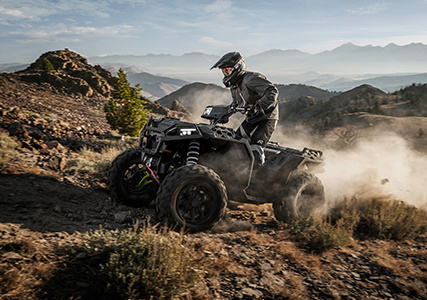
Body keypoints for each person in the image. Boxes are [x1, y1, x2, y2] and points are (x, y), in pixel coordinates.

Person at [211, 51, 279, 165]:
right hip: (251, 119)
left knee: (255, 151)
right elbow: (236, 104)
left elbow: (272, 91)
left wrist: (259, 106)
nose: (226, 74)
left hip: (267, 118)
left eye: (228, 70)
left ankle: (259, 179)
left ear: (238, 67)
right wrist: (225, 113)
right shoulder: (234, 85)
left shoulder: (251, 79)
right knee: (232, 145)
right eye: (224, 72)